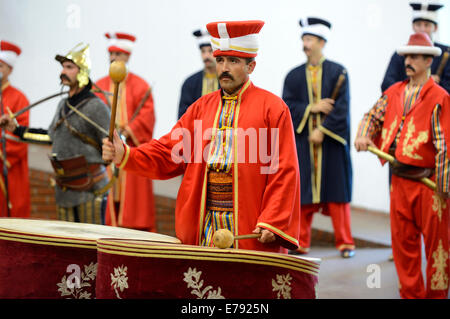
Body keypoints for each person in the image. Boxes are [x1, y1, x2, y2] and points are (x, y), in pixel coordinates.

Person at [103, 20, 301, 253]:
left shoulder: (273, 109)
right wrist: (125, 153)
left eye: (233, 61)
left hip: (250, 223)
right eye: (220, 60)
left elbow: (284, 169)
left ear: (251, 67)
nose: (224, 68)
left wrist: (272, 220)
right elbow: (168, 152)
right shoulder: (200, 108)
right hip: (203, 222)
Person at [355, 32, 449, 299]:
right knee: (403, 247)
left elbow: (445, 145)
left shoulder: (439, 97)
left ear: (429, 61)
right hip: (399, 181)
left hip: (430, 186)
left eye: (416, 56)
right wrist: (364, 133)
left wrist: (444, 186)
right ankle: (411, 295)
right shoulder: (394, 91)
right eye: (407, 55)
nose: (409, 61)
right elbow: (371, 116)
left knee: (437, 249)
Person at [0, 43, 111, 224]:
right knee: (66, 248)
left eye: (69, 67)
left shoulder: (96, 106)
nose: (63, 71)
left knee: (90, 246)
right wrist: (16, 129)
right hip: (65, 187)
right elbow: (51, 137)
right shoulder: (63, 105)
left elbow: (112, 144)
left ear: (82, 71)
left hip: (91, 188)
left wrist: (111, 149)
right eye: (62, 67)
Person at [282, 17, 354, 258]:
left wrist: (322, 131)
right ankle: (300, 242)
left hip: (331, 143)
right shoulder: (293, 76)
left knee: (337, 196)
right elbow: (287, 107)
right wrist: (311, 108)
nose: (306, 44)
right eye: (304, 38)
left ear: (322, 42)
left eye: (310, 39)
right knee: (304, 196)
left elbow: (342, 109)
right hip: (303, 142)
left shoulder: (338, 72)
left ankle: (345, 243)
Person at [95, 32, 156, 232]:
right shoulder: (100, 85)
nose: (113, 58)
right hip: (107, 151)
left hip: (131, 150)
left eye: (118, 54)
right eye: (111, 54)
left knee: (133, 202)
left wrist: (129, 130)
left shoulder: (140, 85)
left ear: (127, 57)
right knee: (108, 201)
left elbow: (147, 116)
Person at [381, 1, 449, 93]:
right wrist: (415, 83)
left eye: (427, 25)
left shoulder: (446, 54)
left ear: (435, 28)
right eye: (418, 25)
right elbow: (387, 84)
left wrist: (432, 87)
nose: (422, 29)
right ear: (413, 26)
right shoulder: (401, 53)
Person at [0, 40, 30, 218]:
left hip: (8, 170)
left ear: (10, 69)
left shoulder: (19, 98)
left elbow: (19, 138)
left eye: (1, 65)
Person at [177, 29, 219, 119]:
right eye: (203, 51)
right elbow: (183, 116)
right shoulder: (190, 83)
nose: (206, 56)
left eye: (210, 51)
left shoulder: (228, 80)